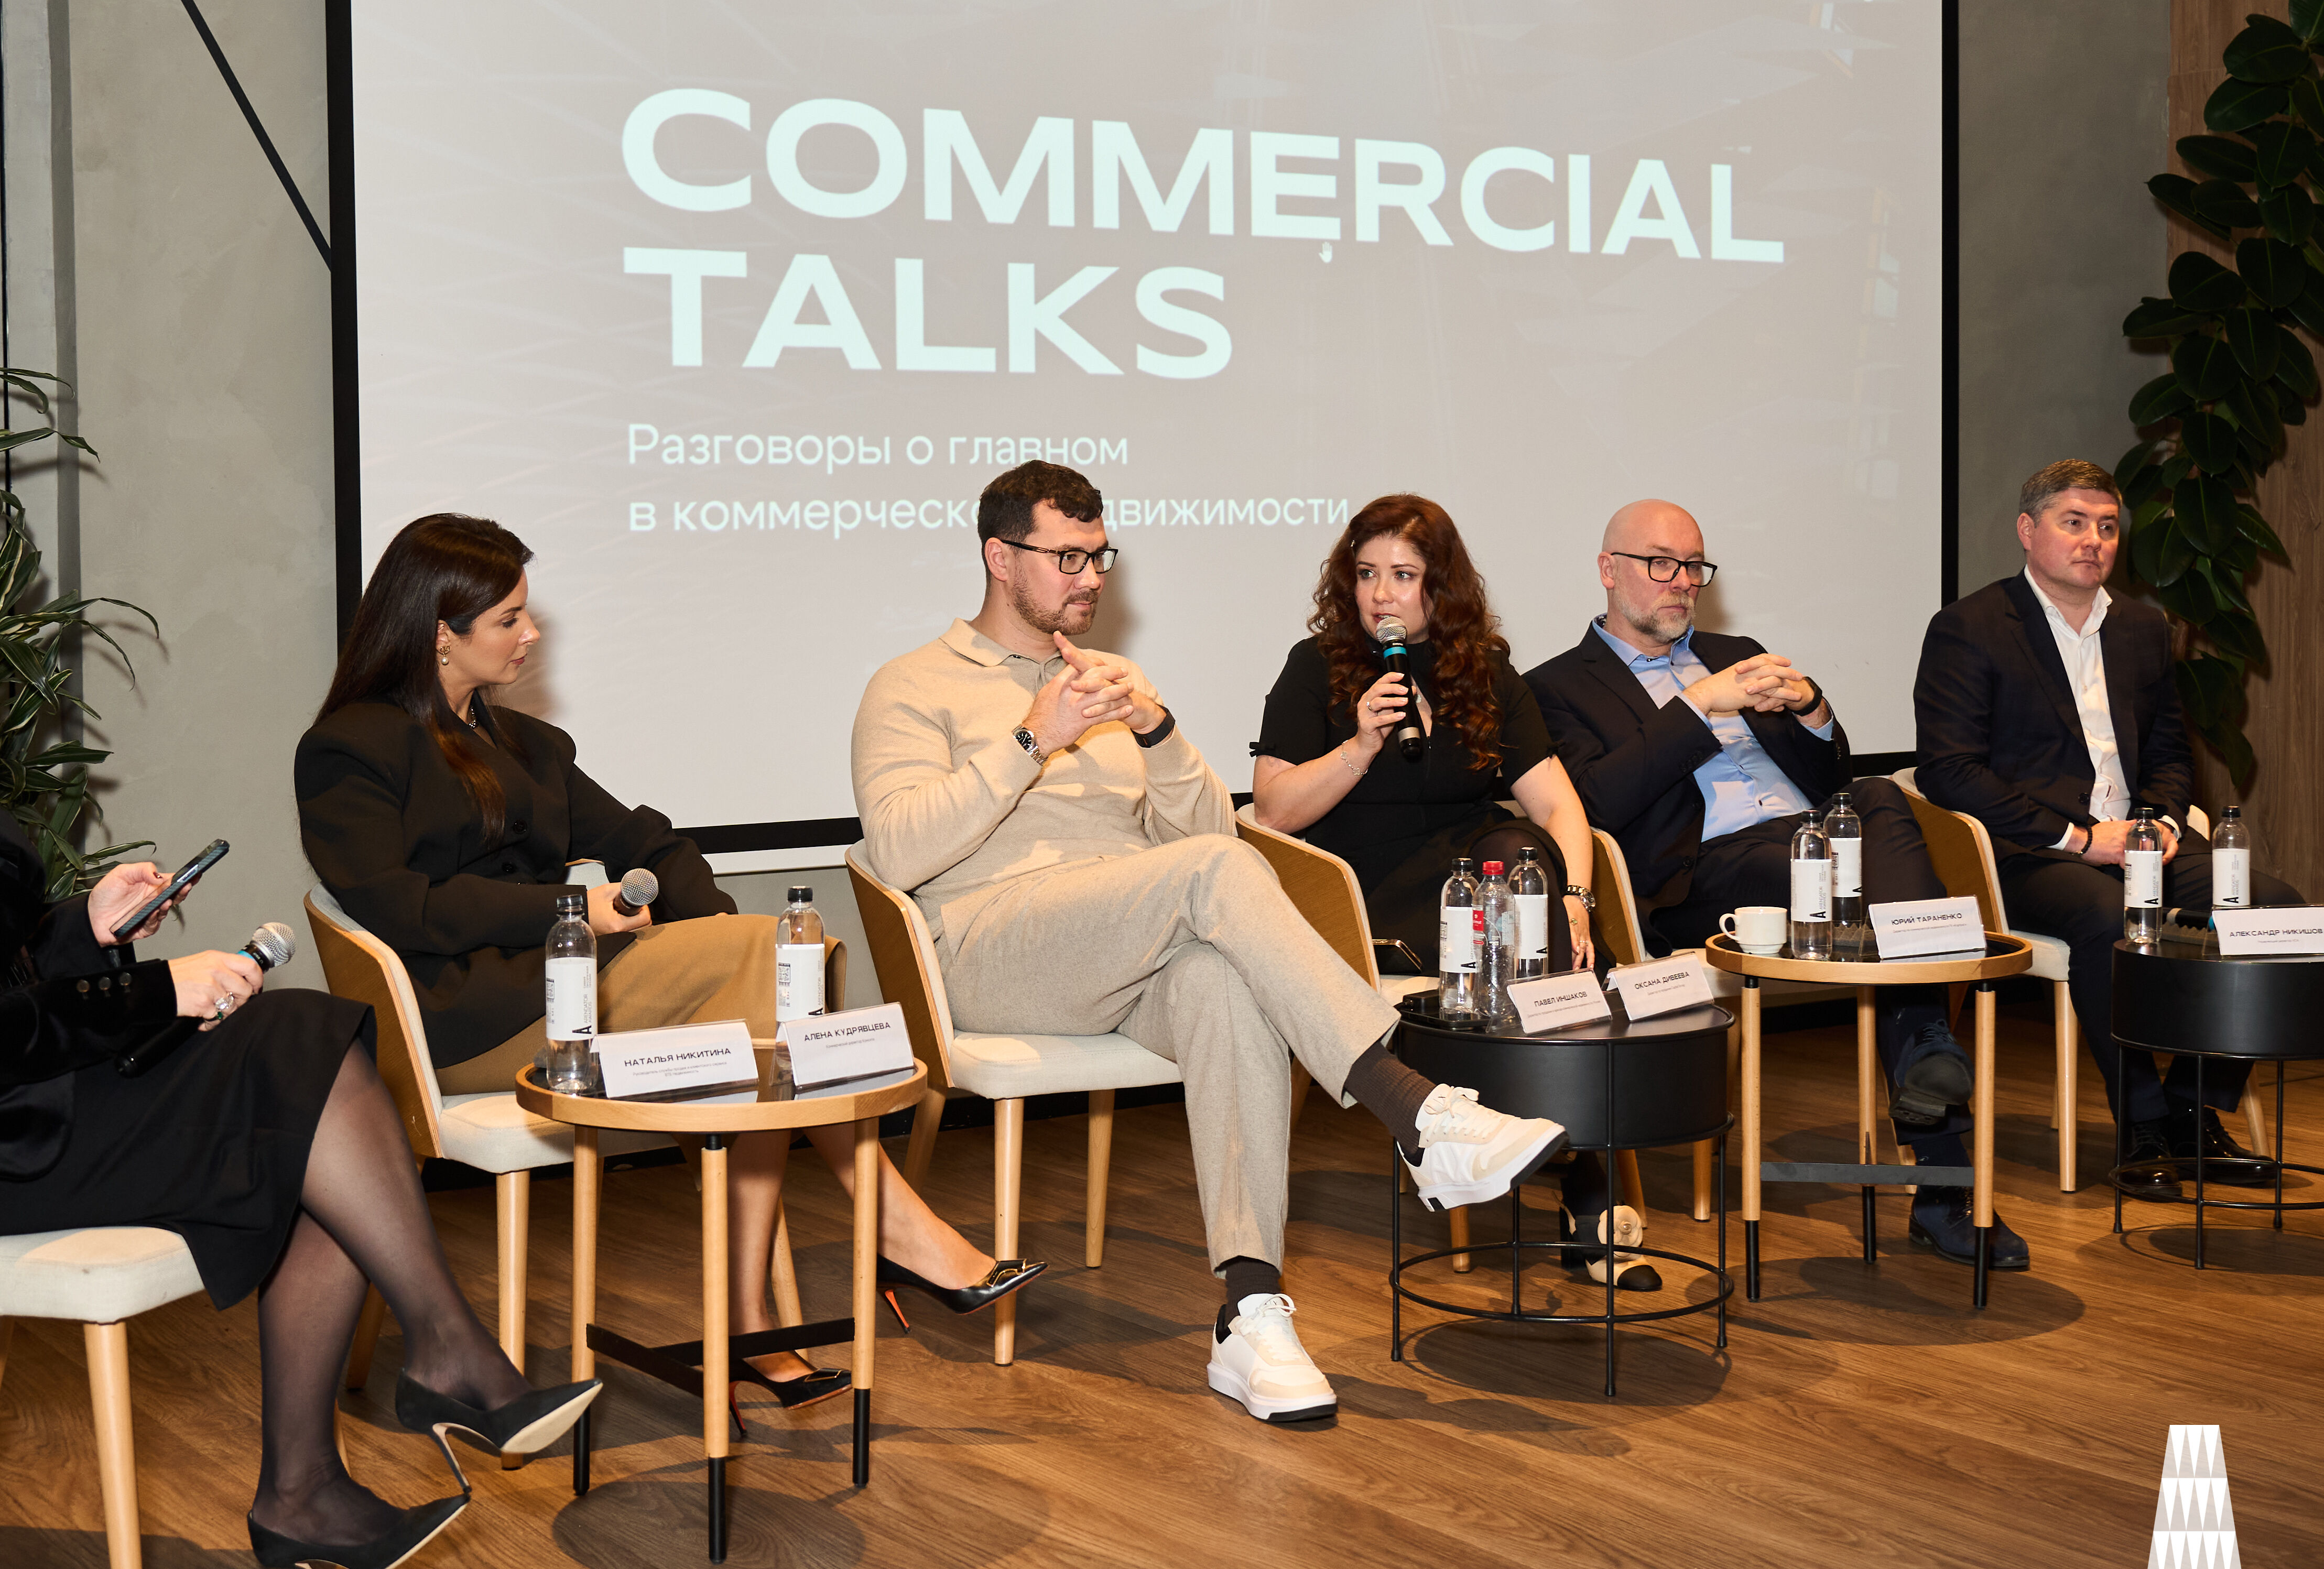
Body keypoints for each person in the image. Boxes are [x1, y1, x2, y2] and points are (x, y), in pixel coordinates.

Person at [0, 522, 596, 1569]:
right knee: (305, 1060)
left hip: (18, 1101)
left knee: (311, 1073)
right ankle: (390, 1408)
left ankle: (351, 1447)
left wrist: (86, 926)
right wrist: (154, 991)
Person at [851, 462, 1571, 1426]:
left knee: (1223, 983)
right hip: (991, 949)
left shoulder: (1105, 683)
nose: (1091, 577)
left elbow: (1205, 838)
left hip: (1127, 942)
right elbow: (897, 851)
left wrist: (1154, 729)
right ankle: (1417, 1112)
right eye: (1067, 558)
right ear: (999, 556)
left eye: (1099, 555)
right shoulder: (912, 684)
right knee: (1212, 882)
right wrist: (1029, 739)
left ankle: (1250, 1313)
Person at [296, 514, 1039, 1409]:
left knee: (771, 975)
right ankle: (863, 1249)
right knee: (778, 968)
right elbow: (401, 907)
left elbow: (653, 843)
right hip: (460, 1022)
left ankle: (770, 1305)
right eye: (508, 619)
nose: (531, 634)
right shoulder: (349, 749)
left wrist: (711, 933)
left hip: (567, 993)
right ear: (437, 634)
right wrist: (575, 909)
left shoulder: (528, 746)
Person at [1525, 498, 2016, 1269]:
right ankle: (1942, 1172)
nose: (1683, 581)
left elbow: (1830, 777)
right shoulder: (1555, 687)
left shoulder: (1738, 652)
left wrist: (1813, 709)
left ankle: (1927, 1055)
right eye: (1661, 563)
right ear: (1608, 570)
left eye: (1694, 565)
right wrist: (1697, 705)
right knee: (1869, 886)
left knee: (1876, 795)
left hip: (1813, 845)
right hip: (1704, 873)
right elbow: (1598, 805)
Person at [1247, 495, 1638, 1285]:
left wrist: (1575, 899)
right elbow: (1273, 810)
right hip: (1366, 896)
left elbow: (1558, 805)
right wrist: (1361, 743)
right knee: (1513, 915)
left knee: (1522, 864)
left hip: (1477, 882)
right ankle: (1582, 1180)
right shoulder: (1315, 666)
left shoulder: (1483, 670)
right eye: (1366, 574)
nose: (1380, 595)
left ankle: (1557, 1156)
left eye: (1402, 575)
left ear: (1441, 585)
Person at [1912, 461, 2300, 1199]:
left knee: (2274, 910)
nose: (2094, 540)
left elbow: (2168, 753)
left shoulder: (2142, 628)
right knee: (2104, 917)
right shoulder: (1970, 627)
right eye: (2074, 523)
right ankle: (2142, 1124)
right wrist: (2082, 840)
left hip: (2139, 845)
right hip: (2032, 854)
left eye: (2108, 527)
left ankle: (2194, 1111)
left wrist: (2158, 823)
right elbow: (1949, 770)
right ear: (2027, 531)